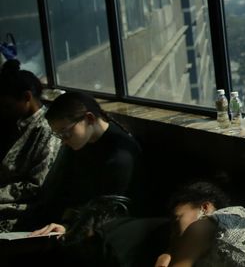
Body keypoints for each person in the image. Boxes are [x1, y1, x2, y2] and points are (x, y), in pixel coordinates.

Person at [26, 90, 142, 237]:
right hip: (81, 219)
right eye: (58, 135)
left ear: (90, 118)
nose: (63, 140)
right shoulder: (82, 142)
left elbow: (107, 210)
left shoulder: (121, 156)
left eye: (66, 133)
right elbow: (70, 188)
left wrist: (68, 226)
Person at [0, 60, 61, 232]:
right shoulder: (18, 123)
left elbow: (36, 185)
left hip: (23, 209)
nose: (3, 111)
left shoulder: (48, 130)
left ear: (27, 98)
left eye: (7, 106)